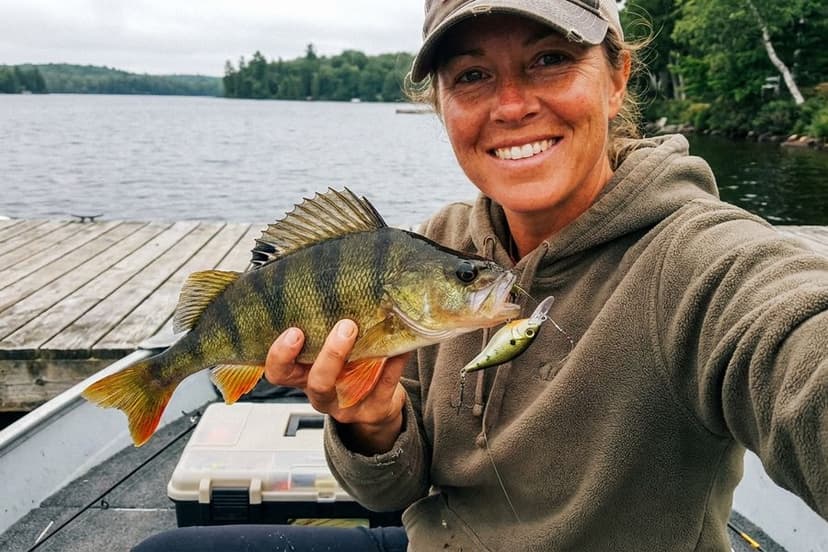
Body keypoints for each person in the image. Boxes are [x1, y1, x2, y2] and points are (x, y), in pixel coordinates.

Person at [135, 0, 828, 550]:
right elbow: (392, 493)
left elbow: (791, 338)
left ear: (617, 78)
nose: (511, 105)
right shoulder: (440, 242)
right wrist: (371, 423)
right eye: (471, 75)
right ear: (441, 102)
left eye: (550, 59)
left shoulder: (701, 260)